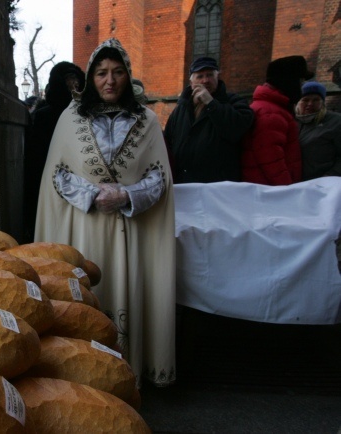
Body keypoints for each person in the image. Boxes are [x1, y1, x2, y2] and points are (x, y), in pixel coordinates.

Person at [35, 38, 176, 388]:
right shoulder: (70, 118)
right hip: (84, 228)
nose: (109, 80)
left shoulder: (147, 120)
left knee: (126, 289)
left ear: (127, 76)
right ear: (91, 78)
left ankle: (128, 372)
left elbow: (160, 178)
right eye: (101, 73)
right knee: (86, 298)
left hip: (131, 231)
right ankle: (87, 373)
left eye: (116, 72)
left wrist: (126, 195)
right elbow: (56, 174)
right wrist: (93, 195)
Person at [163, 56, 254, 183]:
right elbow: (168, 143)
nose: (205, 80)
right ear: (191, 83)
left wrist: (211, 103)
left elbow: (236, 130)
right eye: (200, 76)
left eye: (210, 75)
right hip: (183, 184)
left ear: (217, 78)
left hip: (216, 186)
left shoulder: (234, 102)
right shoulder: (181, 109)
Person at [22, 61, 85, 243]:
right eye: (69, 82)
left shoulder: (86, 113)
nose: (74, 87)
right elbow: (35, 161)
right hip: (49, 179)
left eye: (76, 82)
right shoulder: (44, 116)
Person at [241, 56, 313, 185]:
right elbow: (271, 159)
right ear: (288, 81)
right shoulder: (271, 113)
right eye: (300, 81)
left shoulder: (274, 108)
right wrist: (287, 189)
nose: (302, 87)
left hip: (266, 187)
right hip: (270, 191)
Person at [295, 81, 341, 180]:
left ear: (323, 102)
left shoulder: (335, 122)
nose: (310, 104)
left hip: (322, 184)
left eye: (316, 100)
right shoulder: (291, 120)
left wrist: (329, 177)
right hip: (292, 182)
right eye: (305, 100)